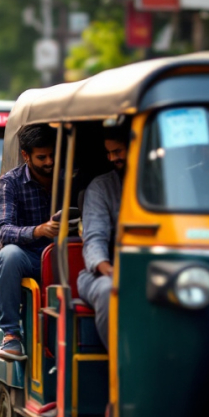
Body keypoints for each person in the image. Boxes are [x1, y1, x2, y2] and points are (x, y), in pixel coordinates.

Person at [0, 124, 58, 361]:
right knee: (8, 254)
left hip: (64, 256)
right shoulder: (10, 182)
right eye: (42, 157)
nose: (49, 162)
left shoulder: (69, 176)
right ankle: (11, 335)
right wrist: (39, 231)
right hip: (29, 257)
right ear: (25, 155)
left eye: (53, 155)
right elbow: (4, 230)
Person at [78, 127, 129, 351]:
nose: (113, 159)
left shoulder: (169, 181)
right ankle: (123, 368)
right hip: (102, 274)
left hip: (150, 272)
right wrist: (110, 271)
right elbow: (94, 238)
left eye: (118, 151)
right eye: (109, 153)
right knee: (109, 290)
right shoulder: (101, 187)